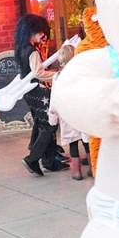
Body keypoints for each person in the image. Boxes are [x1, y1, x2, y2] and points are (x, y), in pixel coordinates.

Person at [14, 14, 67, 176]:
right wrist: (57, 74)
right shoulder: (31, 51)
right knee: (49, 125)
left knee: (41, 123)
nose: (42, 36)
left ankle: (48, 159)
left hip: (29, 92)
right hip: (38, 91)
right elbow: (39, 73)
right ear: (33, 31)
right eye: (40, 33)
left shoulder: (21, 49)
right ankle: (33, 158)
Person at [47, 45, 90, 180]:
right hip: (81, 112)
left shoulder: (57, 77)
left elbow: (54, 99)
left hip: (67, 115)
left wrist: (52, 116)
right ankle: (93, 169)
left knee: (73, 143)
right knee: (87, 141)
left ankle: (76, 172)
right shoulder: (80, 74)